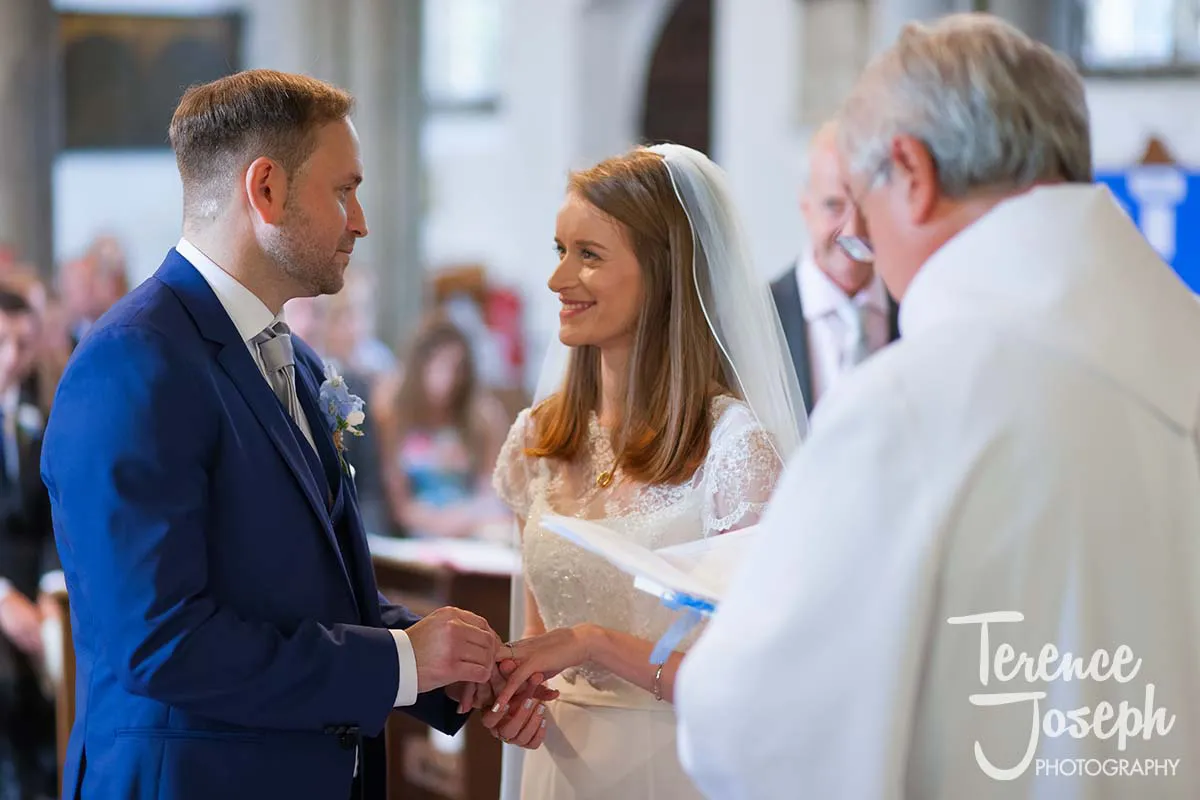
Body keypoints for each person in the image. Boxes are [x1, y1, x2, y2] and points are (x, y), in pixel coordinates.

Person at [676, 13, 1200, 799]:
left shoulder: (913, 402)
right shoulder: (1179, 337)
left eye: (861, 205)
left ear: (912, 174)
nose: (865, 245)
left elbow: (748, 733)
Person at [41, 69, 547, 800]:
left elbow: (308, 596)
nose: (361, 220)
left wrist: (459, 670)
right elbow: (162, 641)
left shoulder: (295, 359)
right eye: (343, 190)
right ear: (266, 190)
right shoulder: (133, 362)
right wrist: (401, 661)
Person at [489, 144, 807, 798]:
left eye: (590, 255)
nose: (558, 281)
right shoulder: (538, 438)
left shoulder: (733, 449)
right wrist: (514, 700)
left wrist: (596, 644)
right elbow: (536, 637)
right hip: (556, 767)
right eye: (560, 251)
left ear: (663, 273)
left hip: (668, 766)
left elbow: (751, 677)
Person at [771, 120, 898, 411]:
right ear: (806, 207)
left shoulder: (915, 312)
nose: (854, 230)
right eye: (833, 206)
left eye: (867, 206)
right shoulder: (758, 314)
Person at [379, 316, 509, 539]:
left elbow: (494, 492)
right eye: (438, 364)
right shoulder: (393, 410)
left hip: (472, 527)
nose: (446, 379)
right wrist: (437, 522)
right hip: (418, 532)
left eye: (457, 368)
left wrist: (462, 519)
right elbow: (399, 505)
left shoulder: (483, 416)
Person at [0, 288, 56, 800]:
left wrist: (47, 592)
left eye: (23, 343)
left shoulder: (35, 414)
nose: (12, 357)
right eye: (2, 342)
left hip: (31, 594)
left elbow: (47, 520)